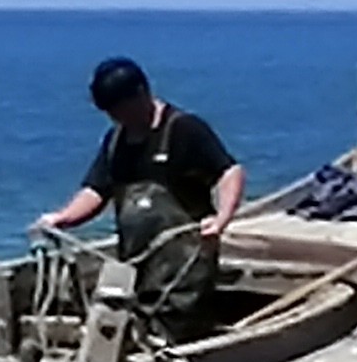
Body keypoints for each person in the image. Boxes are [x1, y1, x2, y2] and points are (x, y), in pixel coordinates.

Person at [35, 58, 245, 297]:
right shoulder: (115, 142)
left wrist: (221, 220)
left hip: (186, 269)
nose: (116, 117)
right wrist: (63, 218)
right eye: (110, 112)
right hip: (136, 267)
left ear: (141, 93)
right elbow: (96, 190)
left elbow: (229, 172)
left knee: (177, 326)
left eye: (121, 109)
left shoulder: (184, 129)